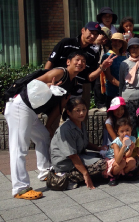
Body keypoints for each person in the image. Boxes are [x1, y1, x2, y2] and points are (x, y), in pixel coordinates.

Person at [5, 51, 87, 199]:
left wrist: (49, 126)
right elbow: (33, 84)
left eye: (83, 61)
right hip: (19, 106)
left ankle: (44, 172)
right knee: (19, 147)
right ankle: (20, 188)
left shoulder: (72, 83)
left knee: (43, 136)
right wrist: (48, 85)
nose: (80, 63)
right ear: (68, 62)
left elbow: (59, 107)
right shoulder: (60, 72)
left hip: (30, 111)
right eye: (77, 60)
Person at [45, 22, 116, 126]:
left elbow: (89, 77)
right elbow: (50, 62)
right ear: (83, 30)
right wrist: (46, 82)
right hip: (56, 87)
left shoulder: (93, 53)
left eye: (96, 34)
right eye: (91, 32)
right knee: (52, 123)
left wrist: (102, 67)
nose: (93, 36)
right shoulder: (66, 43)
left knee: (76, 122)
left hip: (75, 91)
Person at [50, 97, 106, 190]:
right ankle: (68, 177)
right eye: (77, 110)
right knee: (102, 164)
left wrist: (99, 149)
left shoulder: (80, 123)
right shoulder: (65, 130)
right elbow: (72, 156)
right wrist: (86, 174)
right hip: (65, 163)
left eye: (84, 109)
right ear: (69, 112)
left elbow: (85, 143)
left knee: (106, 156)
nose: (82, 113)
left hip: (79, 156)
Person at [102, 117, 137, 186]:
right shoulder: (116, 143)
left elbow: (127, 155)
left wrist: (131, 149)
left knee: (132, 160)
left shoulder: (132, 139)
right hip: (113, 159)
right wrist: (123, 146)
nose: (125, 133)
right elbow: (117, 160)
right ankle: (113, 176)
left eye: (127, 130)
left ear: (131, 129)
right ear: (117, 132)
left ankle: (123, 174)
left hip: (122, 157)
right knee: (122, 163)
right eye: (122, 131)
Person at [102, 33, 127, 108]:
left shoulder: (126, 56)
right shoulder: (106, 56)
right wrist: (121, 85)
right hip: (112, 91)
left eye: (120, 41)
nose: (117, 43)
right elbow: (109, 76)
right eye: (115, 41)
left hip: (125, 91)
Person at [93, 27, 111, 110]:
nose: (102, 37)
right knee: (97, 84)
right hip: (95, 66)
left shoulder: (107, 47)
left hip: (104, 66)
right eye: (100, 34)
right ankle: (99, 103)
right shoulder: (93, 44)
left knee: (103, 83)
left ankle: (104, 102)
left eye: (105, 36)